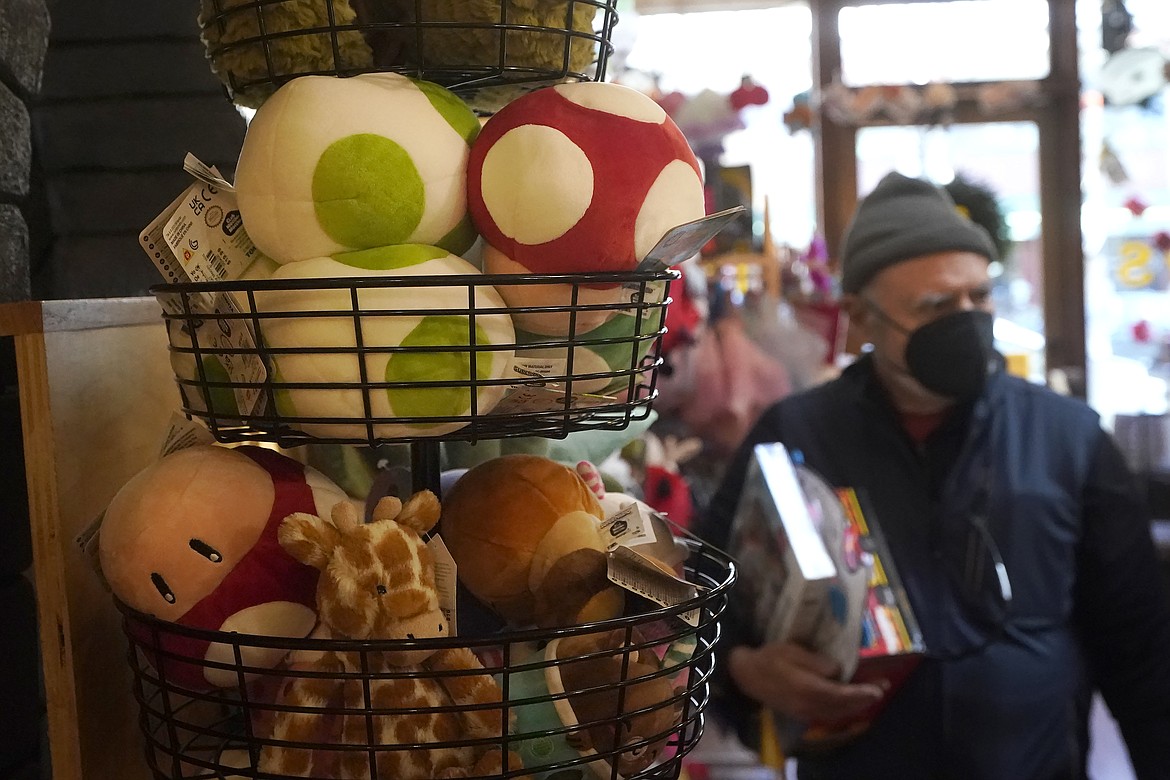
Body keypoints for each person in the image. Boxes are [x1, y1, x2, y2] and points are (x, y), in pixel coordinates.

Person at [697, 172, 1170, 779]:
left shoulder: (1068, 436)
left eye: (980, 297)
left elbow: (1141, 651)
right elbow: (706, 603)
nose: (967, 320)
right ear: (860, 320)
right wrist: (743, 668)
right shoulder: (794, 436)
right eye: (936, 306)